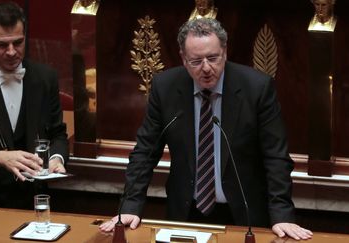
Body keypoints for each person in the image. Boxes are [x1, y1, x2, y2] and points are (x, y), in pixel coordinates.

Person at [100, 18, 312, 240]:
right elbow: (145, 152)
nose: (207, 68)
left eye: (213, 58)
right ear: (183, 59)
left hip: (243, 214)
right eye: (196, 61)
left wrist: (281, 213)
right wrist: (130, 206)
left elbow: (276, 157)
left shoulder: (257, 88)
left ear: (225, 52)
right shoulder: (165, 88)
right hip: (185, 212)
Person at [0, 2, 69, 208]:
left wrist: (56, 158)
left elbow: (58, 134)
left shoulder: (45, 78)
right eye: (2, 45)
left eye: (18, 42)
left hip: (36, 200)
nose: (11, 52)